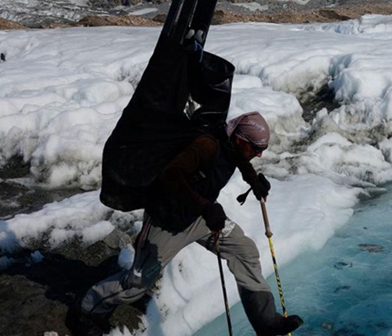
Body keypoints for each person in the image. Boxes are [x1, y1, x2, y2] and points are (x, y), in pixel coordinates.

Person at [76, 110, 303, 336]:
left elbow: (239, 158)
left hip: (201, 218)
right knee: (137, 285)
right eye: (256, 149)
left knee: (244, 251)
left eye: (261, 150)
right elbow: (170, 175)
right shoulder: (206, 145)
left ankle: (266, 323)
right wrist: (206, 206)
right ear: (239, 138)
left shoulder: (232, 144)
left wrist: (253, 180)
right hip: (167, 223)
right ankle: (88, 311)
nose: (259, 155)